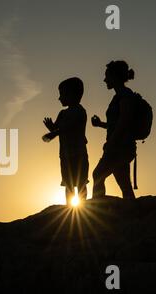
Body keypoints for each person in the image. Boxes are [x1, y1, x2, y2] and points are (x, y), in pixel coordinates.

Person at [91, 60, 136, 199]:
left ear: (114, 76)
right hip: (121, 147)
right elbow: (117, 124)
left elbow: (124, 121)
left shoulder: (125, 95)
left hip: (119, 148)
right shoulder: (120, 96)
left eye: (107, 76)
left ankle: (98, 212)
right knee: (124, 184)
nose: (104, 80)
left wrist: (111, 143)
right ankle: (134, 213)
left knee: (98, 175)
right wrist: (100, 124)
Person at [43, 77, 89, 205]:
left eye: (62, 94)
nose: (59, 98)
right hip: (65, 155)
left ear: (73, 94)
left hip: (79, 154)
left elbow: (69, 128)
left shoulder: (80, 111)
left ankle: (83, 207)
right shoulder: (62, 113)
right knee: (68, 183)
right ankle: (70, 207)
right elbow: (58, 128)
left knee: (81, 183)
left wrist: (54, 133)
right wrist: (51, 127)